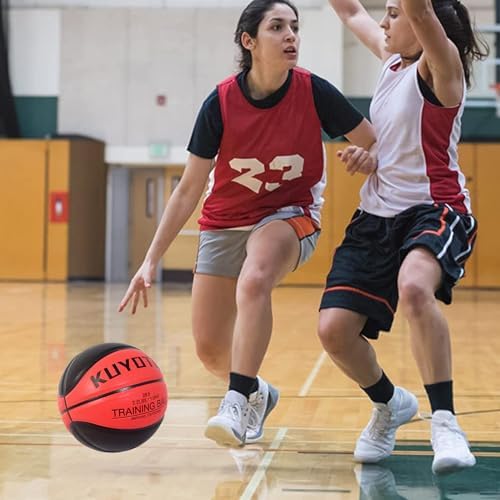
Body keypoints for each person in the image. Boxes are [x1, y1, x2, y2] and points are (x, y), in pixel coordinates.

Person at [119, 0, 377, 448]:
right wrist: (150, 260)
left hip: (290, 215)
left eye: (294, 26)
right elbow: (188, 189)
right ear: (249, 41)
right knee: (209, 349)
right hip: (224, 222)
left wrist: (366, 156)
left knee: (255, 277)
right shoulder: (220, 102)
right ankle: (257, 390)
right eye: (277, 27)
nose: (291, 35)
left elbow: (372, 140)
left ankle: (236, 401)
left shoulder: (314, 91)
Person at [320, 0, 488, 474]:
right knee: (334, 331)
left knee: (414, 287)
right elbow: (350, 12)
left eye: (395, 13)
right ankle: (389, 403)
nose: (385, 21)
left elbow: (421, 12)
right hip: (376, 216)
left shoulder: (443, 68)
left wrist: (415, 11)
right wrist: (371, 158)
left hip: (435, 208)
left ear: (420, 23)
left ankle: (445, 422)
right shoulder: (392, 60)